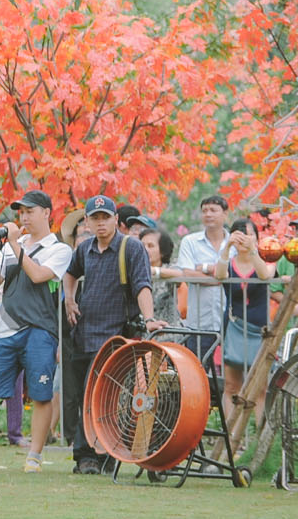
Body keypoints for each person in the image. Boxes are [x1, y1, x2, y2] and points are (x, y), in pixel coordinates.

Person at [62, 196, 155, 475]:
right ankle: (99, 456)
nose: (100, 223)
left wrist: (149, 319)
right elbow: (69, 274)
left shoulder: (132, 247)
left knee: (103, 398)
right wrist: (69, 298)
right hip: (83, 333)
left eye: (105, 217)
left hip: (114, 336)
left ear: (116, 219)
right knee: (85, 398)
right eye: (95, 218)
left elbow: (142, 286)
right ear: (87, 222)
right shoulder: (84, 248)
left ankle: (89, 457)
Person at [0, 191, 71, 473]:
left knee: (41, 393)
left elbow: (39, 276)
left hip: (40, 329)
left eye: (30, 211)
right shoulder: (13, 245)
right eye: (21, 212)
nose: (24, 217)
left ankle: (34, 456)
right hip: (6, 328)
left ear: (47, 213)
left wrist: (14, 245)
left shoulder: (59, 249)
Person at [217, 221, 278, 426]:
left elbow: (264, 275)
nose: (243, 238)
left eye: (248, 234)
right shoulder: (228, 261)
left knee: (260, 387)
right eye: (239, 234)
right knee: (232, 385)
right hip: (233, 327)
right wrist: (226, 248)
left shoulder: (267, 259)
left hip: (259, 329)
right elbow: (219, 275)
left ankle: (258, 437)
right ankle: (231, 437)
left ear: (257, 238)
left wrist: (253, 250)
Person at [169, 195, 232, 367]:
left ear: (225, 213)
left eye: (213, 210)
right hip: (199, 323)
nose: (208, 214)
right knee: (197, 370)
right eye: (205, 210)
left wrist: (203, 268)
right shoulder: (190, 241)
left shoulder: (233, 242)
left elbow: (237, 272)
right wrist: (220, 278)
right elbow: (188, 273)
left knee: (232, 373)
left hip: (231, 320)